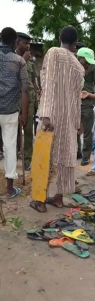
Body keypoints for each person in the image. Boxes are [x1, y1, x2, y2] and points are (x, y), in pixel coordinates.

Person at [30, 26, 85, 212]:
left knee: (43, 156)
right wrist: (77, 123)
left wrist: (44, 114)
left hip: (51, 115)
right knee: (65, 157)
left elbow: (49, 82)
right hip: (69, 118)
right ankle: (59, 197)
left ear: (60, 38)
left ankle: (39, 200)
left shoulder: (54, 52)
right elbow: (77, 98)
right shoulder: (78, 66)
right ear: (75, 43)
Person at [0, 27, 29, 198]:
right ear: (14, 43)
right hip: (10, 111)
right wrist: (24, 114)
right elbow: (25, 89)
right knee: (10, 147)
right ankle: (9, 188)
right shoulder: (19, 61)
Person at [16, 32, 38, 171]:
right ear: (17, 43)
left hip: (29, 98)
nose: (28, 46)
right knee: (14, 130)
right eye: (25, 43)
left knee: (28, 130)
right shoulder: (11, 59)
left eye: (29, 43)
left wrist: (36, 97)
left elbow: (33, 81)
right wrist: (22, 60)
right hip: (14, 97)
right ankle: (14, 156)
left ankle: (28, 158)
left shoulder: (31, 61)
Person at [76, 47, 95, 165]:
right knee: (73, 128)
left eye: (87, 63)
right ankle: (76, 151)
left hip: (87, 101)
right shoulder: (72, 66)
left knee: (87, 130)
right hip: (73, 101)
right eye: (84, 62)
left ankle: (86, 155)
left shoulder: (93, 67)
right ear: (79, 59)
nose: (85, 65)